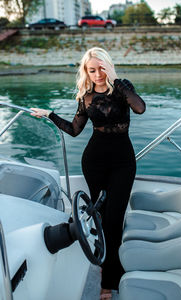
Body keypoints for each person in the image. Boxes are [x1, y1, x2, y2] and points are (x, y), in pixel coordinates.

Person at [31, 47, 145, 300]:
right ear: (86, 72)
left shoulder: (123, 87)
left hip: (123, 163)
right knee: (102, 218)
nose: (96, 74)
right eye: (91, 70)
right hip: (93, 162)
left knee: (115, 219)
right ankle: (108, 268)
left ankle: (108, 281)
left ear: (108, 66)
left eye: (100, 68)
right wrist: (50, 115)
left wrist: (116, 80)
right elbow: (74, 129)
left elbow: (139, 108)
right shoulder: (86, 97)